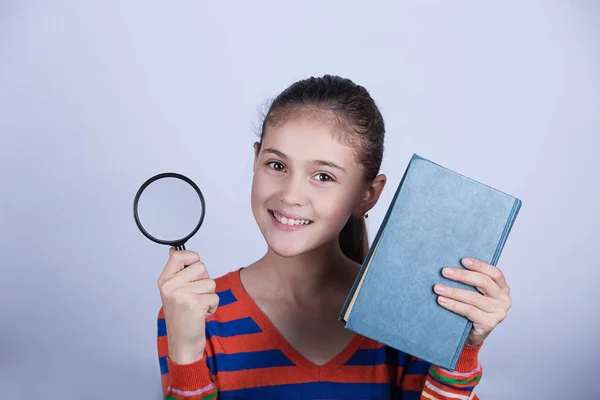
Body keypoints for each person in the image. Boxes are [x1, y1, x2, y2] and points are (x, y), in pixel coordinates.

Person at [156, 75, 512, 399]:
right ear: (255, 160)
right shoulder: (194, 311)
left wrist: (461, 349)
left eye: (323, 176)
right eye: (277, 165)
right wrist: (186, 353)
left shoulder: (403, 312)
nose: (291, 195)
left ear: (367, 195)